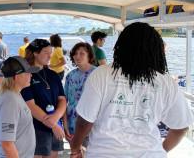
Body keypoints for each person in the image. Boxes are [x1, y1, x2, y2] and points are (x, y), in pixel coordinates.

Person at [70, 22, 194, 158]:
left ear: (121, 46)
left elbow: (84, 121)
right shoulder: (166, 82)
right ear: (155, 49)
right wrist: (161, 150)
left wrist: (75, 148)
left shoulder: (101, 74)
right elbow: (181, 127)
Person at [21, 39, 67, 158]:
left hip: (55, 126)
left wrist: (55, 119)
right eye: (46, 52)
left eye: (50, 52)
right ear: (36, 53)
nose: (50, 55)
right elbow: (30, 105)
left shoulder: (53, 75)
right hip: (36, 128)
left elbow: (62, 100)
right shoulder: (27, 75)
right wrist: (53, 124)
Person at [0, 56, 39, 158]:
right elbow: (7, 144)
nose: (31, 75)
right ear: (17, 76)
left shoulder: (14, 94)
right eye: (27, 73)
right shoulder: (10, 101)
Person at [62, 42, 96, 145]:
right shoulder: (70, 76)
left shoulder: (98, 74)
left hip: (93, 126)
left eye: (82, 53)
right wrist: (65, 125)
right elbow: (64, 101)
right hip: (73, 126)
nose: (77, 56)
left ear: (89, 55)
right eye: (75, 53)